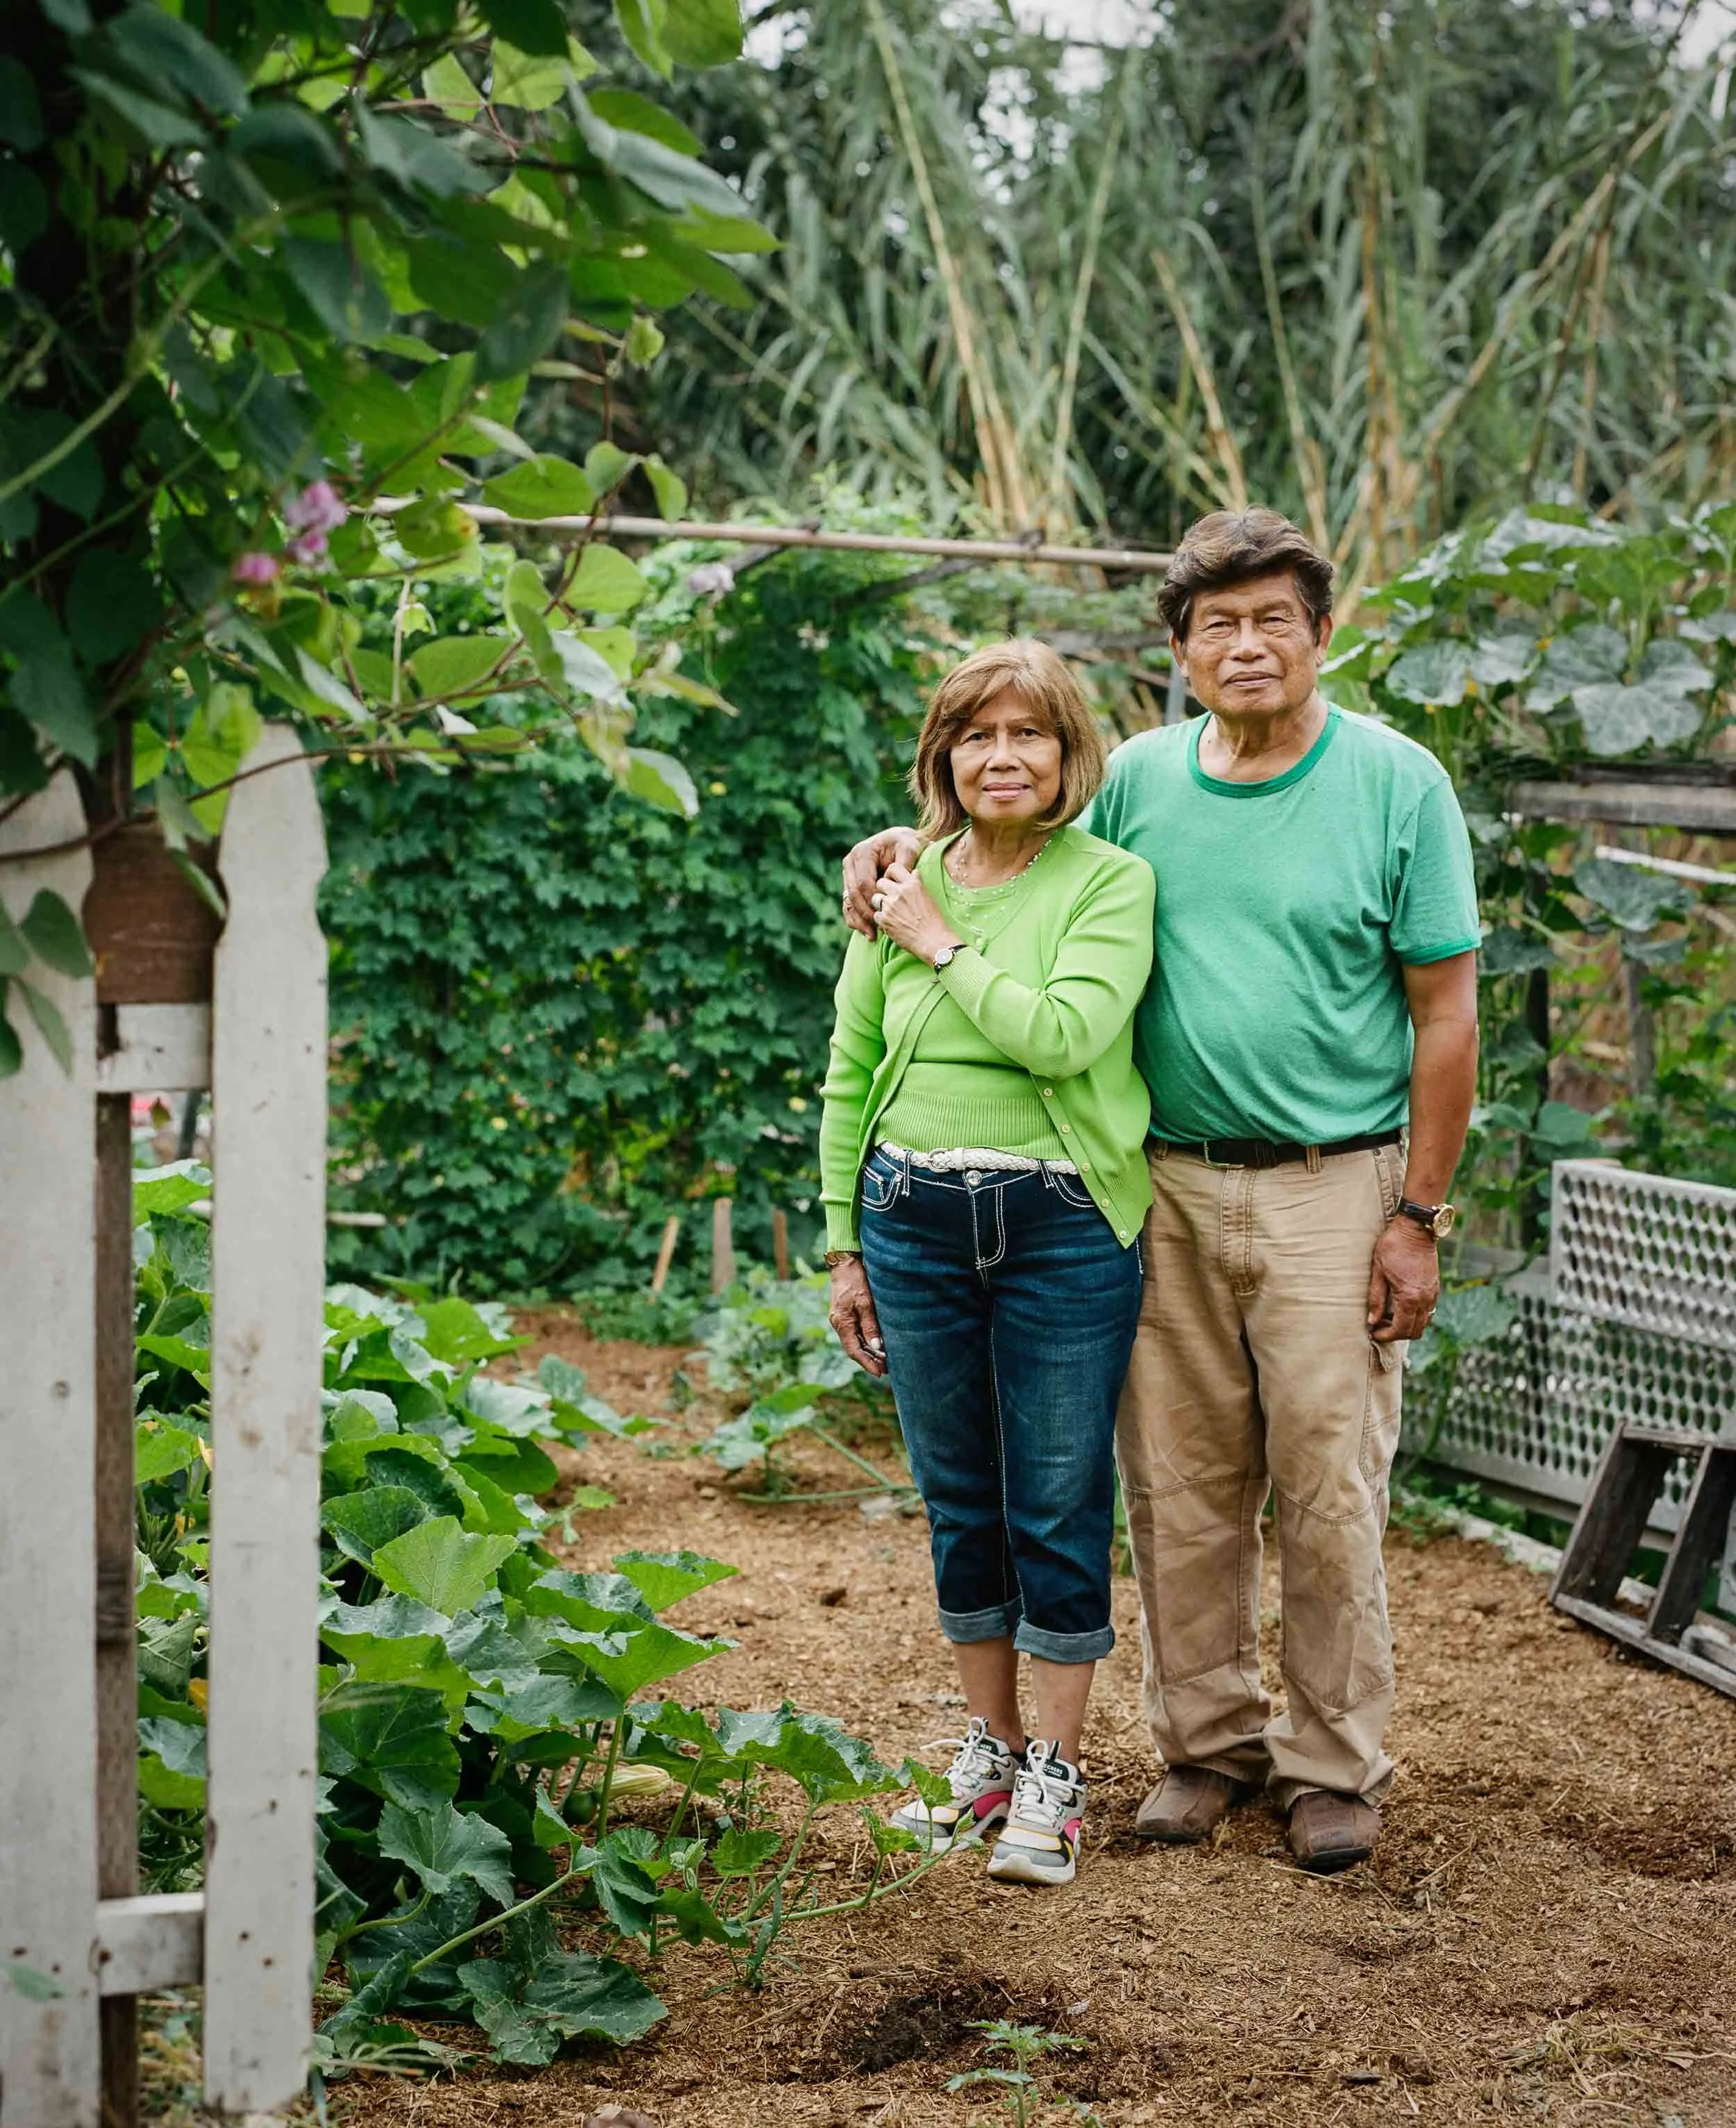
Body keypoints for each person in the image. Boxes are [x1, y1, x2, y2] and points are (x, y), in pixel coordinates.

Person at [842, 510, 1480, 1875]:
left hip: (1331, 1182)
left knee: (1323, 1479)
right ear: (1179, 649)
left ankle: (1328, 1762)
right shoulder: (1136, 779)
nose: (1244, 645)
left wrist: (1417, 1211)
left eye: (1270, 619)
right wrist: (890, 843)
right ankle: (1203, 1744)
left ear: (1320, 631)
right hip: (1156, 1181)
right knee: (1177, 1479)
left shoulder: (1393, 782)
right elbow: (1010, 838)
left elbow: (1443, 1011)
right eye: (1215, 624)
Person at [820, 639, 1155, 1888]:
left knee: (1057, 1496)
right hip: (910, 1216)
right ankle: (995, 1750)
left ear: (1069, 757)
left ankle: (1059, 1779)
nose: (1002, 757)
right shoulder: (897, 878)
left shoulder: (1107, 883)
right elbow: (852, 1067)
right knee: (958, 1495)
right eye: (978, 736)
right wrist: (843, 1239)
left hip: (1062, 1222)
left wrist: (941, 942)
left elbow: (1066, 1040)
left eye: (1030, 736)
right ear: (944, 756)